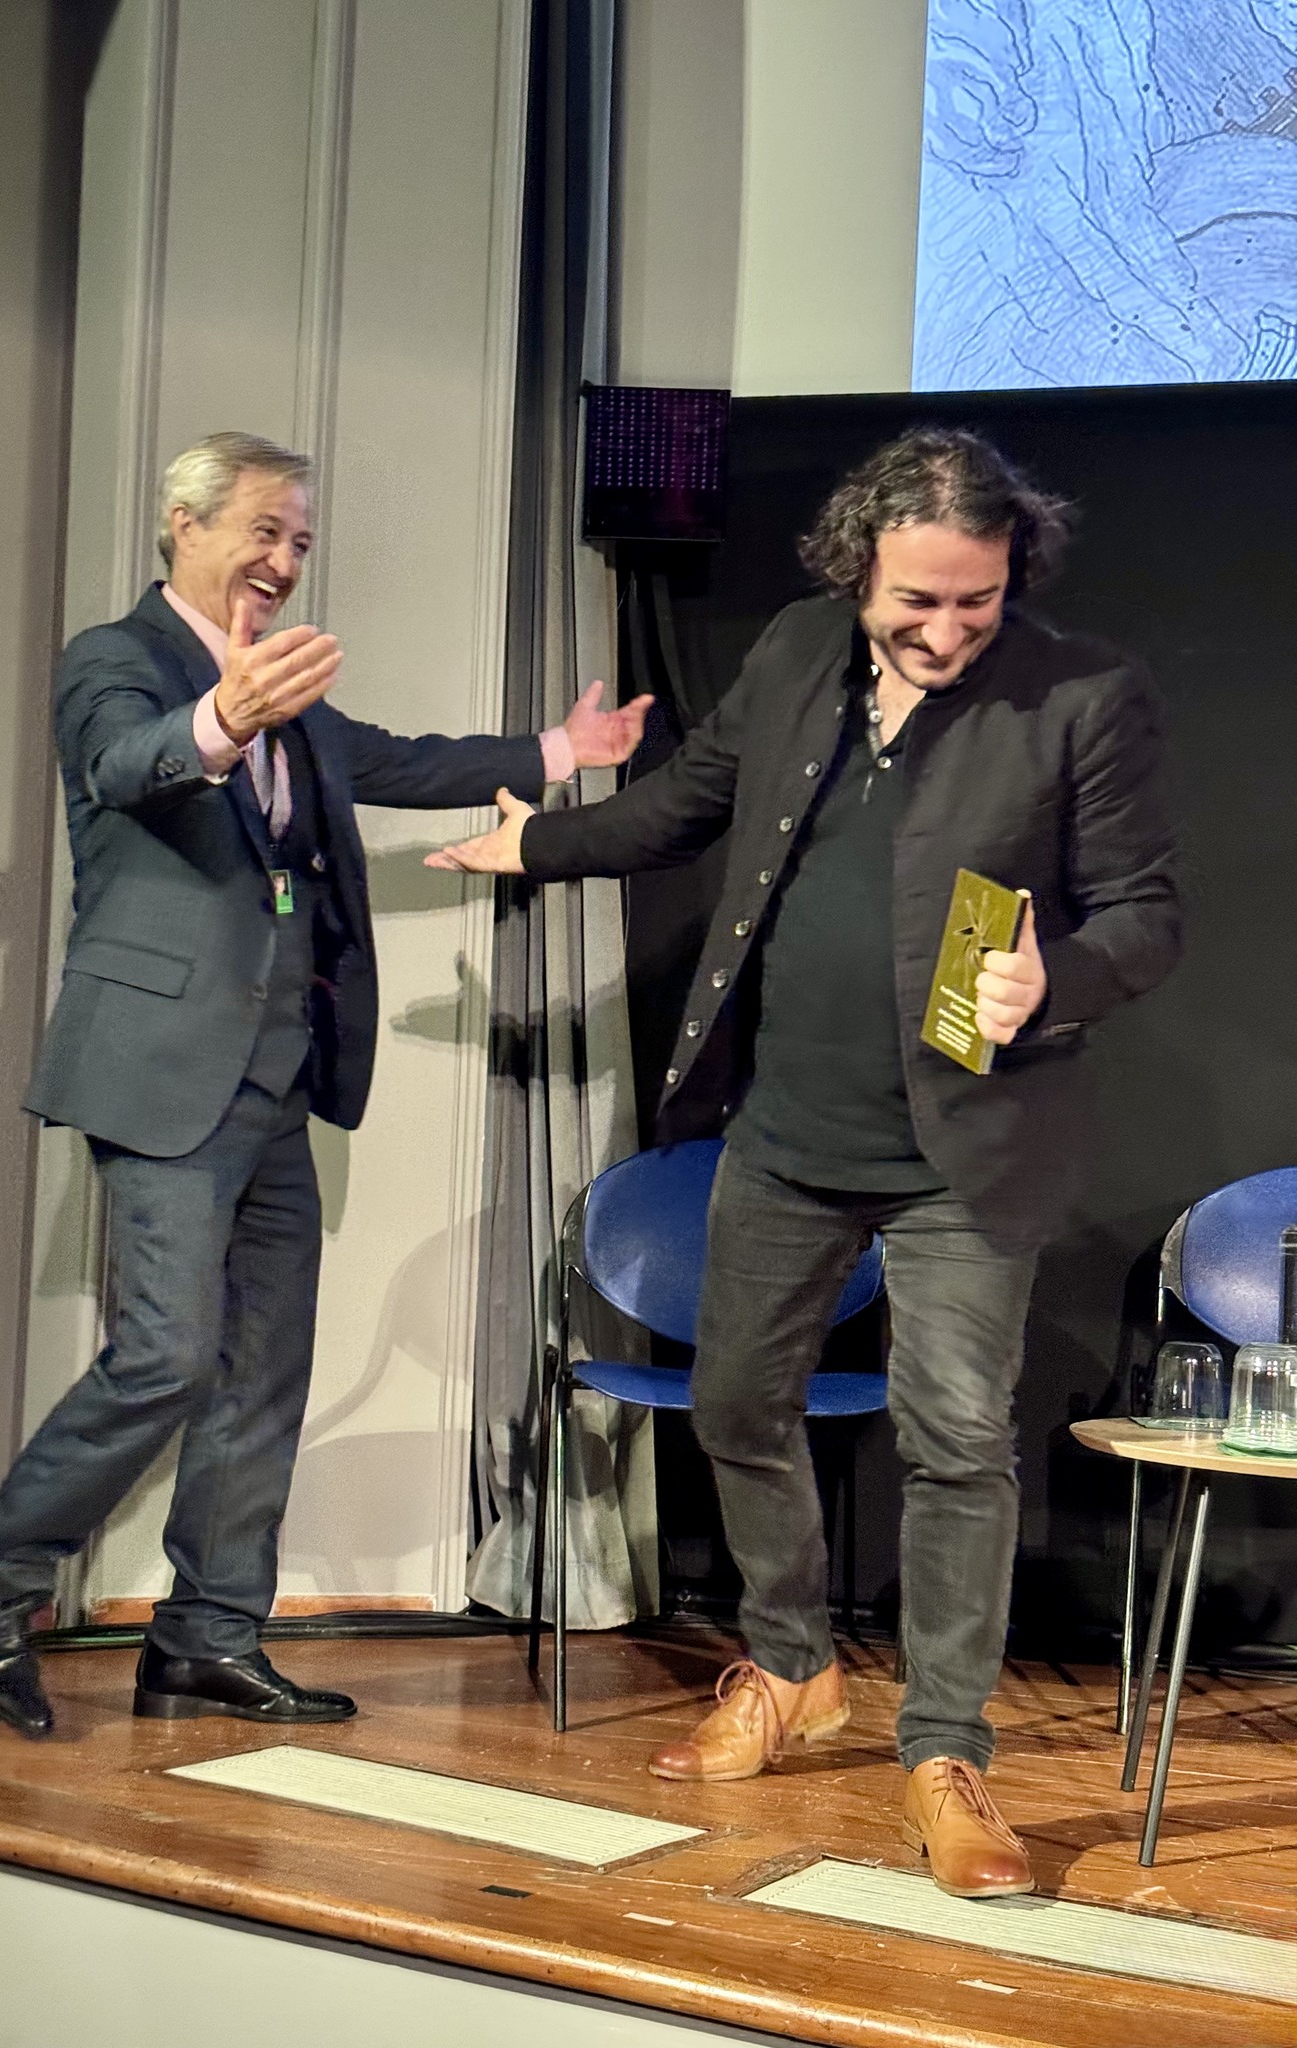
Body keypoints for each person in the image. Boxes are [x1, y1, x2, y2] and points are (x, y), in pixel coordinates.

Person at [428, 427, 1180, 1898]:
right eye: (918, 603)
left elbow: (1146, 913)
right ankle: (793, 1666)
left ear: (1014, 569)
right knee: (733, 1403)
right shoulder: (792, 651)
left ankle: (944, 1753)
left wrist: (1059, 978)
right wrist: (542, 848)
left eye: (978, 599)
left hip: (966, 1147)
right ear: (856, 571)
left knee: (956, 1442)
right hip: (785, 1131)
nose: (948, 632)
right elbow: (686, 804)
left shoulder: (1082, 695)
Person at [0, 430, 651, 1739]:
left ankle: (206, 1639)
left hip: (278, 1083)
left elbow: (402, 761)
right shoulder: (117, 660)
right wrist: (225, 718)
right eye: (264, 531)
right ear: (185, 524)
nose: (283, 560)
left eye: (301, 542)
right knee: (164, 1356)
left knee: (263, 1368)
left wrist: (561, 747)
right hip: (162, 1073)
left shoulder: (294, 695)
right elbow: (123, 766)